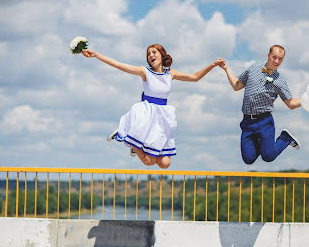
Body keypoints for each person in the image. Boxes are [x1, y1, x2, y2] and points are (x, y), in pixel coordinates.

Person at [82, 45, 224, 169]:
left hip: (162, 118)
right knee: (149, 162)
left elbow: (195, 77)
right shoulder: (145, 72)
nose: (151, 55)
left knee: (165, 164)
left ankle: (135, 142)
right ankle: (129, 136)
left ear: (162, 55)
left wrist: (212, 65)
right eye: (148, 54)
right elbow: (119, 65)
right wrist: (96, 55)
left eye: (154, 52)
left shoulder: (170, 73)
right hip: (145, 114)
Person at [219, 45, 301, 164]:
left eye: (280, 59)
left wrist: (308, 99)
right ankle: (262, 144)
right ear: (268, 56)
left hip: (264, 122)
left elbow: (291, 103)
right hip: (247, 122)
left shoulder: (280, 80)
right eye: (274, 57)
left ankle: (285, 138)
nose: (277, 61)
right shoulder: (253, 69)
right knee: (248, 159)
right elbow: (236, 86)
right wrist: (226, 69)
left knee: (268, 156)